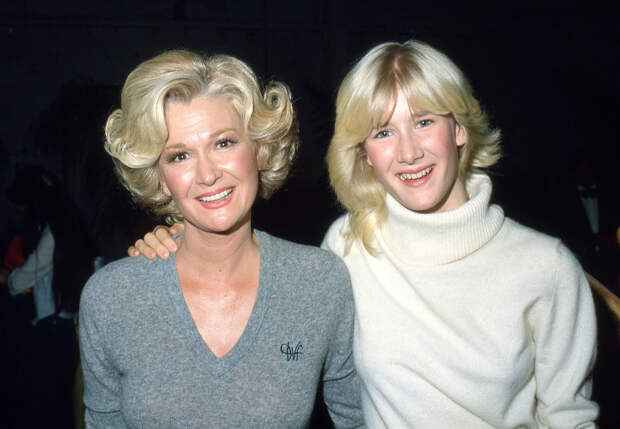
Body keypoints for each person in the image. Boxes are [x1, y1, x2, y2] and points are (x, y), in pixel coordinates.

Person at [131, 41, 598, 428]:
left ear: (458, 129)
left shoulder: (546, 267)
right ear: (363, 153)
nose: (408, 152)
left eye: (424, 121)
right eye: (383, 132)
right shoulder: (349, 246)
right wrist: (177, 241)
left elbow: (571, 419)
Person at [79, 49, 363, 428]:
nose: (208, 174)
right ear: (159, 177)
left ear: (259, 148)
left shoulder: (320, 282)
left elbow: (358, 419)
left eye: (224, 143)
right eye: (179, 156)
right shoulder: (111, 298)